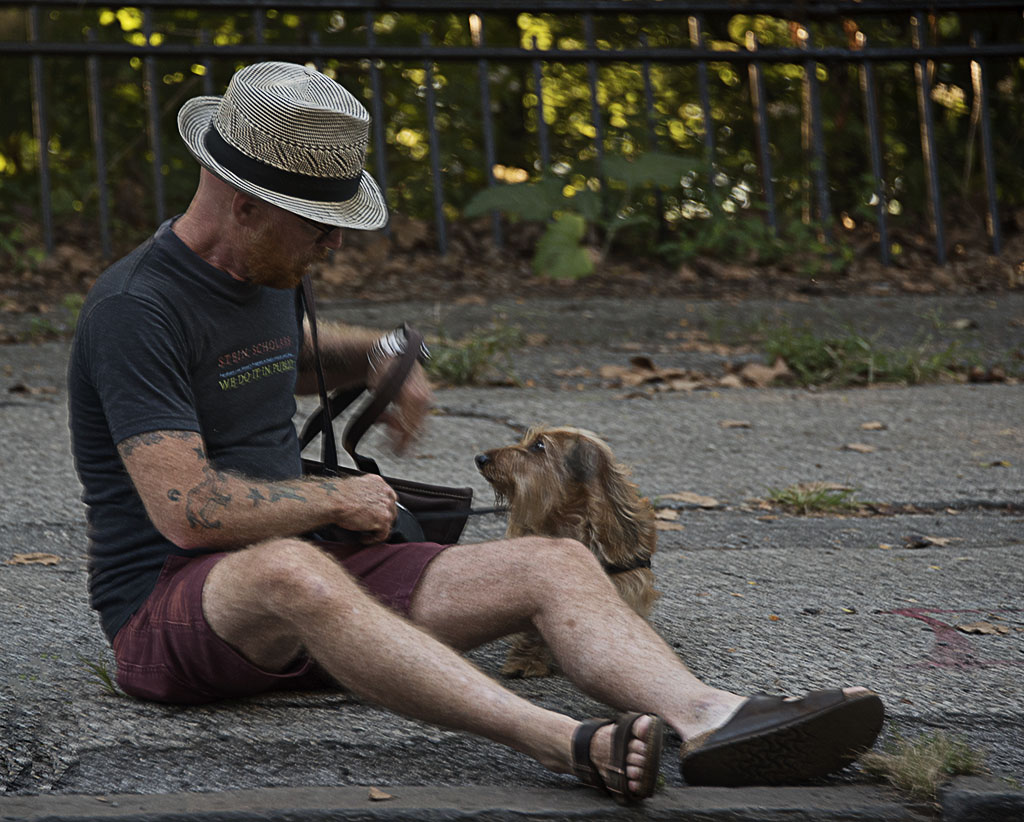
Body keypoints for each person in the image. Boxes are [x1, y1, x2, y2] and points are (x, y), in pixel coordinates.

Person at [67, 61, 884, 801]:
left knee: (556, 564)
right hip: (176, 612)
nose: (338, 242)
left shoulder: (264, 265)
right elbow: (188, 511)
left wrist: (380, 353)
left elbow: (268, 359)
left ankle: (713, 718)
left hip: (320, 587)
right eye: (321, 227)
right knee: (289, 569)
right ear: (243, 206)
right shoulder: (136, 310)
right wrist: (338, 496)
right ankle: (567, 744)